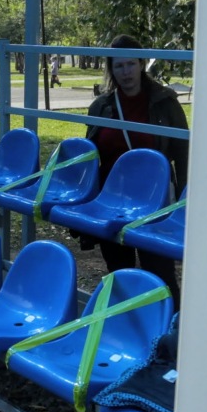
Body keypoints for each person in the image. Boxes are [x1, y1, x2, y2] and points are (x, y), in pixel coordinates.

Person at [84, 34, 188, 289]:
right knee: (119, 274)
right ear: (111, 69)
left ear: (141, 64)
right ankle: (125, 314)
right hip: (111, 202)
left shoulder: (165, 103)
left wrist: (184, 204)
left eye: (131, 64)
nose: (126, 72)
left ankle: (169, 315)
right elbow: (89, 157)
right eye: (119, 66)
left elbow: (183, 153)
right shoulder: (101, 107)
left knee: (160, 275)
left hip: (154, 202)